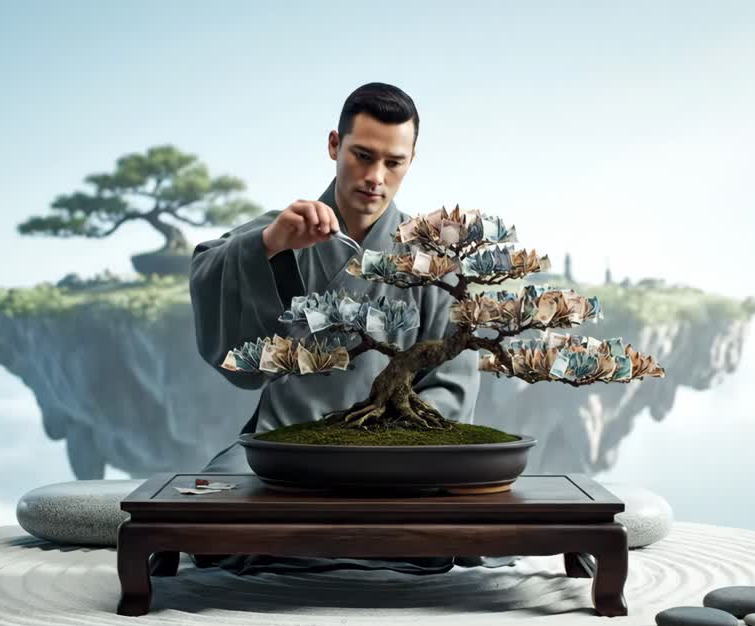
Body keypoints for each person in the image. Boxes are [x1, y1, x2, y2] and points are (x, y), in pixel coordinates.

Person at [188, 82, 517, 575]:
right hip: (284, 446)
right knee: (206, 525)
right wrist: (270, 246)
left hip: (398, 457)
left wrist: (382, 448)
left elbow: (451, 386)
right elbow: (213, 274)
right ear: (334, 145)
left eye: (393, 162)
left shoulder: (435, 260)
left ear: (411, 160)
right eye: (362, 156)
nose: (375, 177)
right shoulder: (283, 230)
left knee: (462, 526)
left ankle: (312, 539)